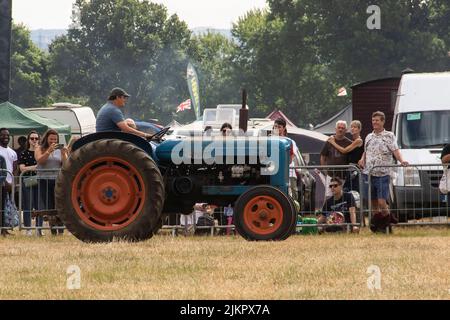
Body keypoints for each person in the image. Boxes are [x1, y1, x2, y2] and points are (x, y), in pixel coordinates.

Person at [358, 111, 408, 232]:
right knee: (374, 204)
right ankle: (381, 227)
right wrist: (361, 160)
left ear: (383, 121)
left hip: (383, 174)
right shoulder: (368, 136)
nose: (374, 122)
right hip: (369, 173)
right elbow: (366, 151)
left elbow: (395, 150)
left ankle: (389, 219)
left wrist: (401, 160)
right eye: (373, 120)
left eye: (377, 120)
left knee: (382, 202)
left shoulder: (389, 136)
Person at [35, 129, 68, 235]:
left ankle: (61, 230)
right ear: (46, 139)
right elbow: (40, 160)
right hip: (44, 180)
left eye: (55, 139)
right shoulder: (39, 148)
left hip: (57, 180)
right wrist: (48, 151)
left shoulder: (59, 150)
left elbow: (65, 164)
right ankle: (53, 230)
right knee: (49, 206)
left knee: (59, 205)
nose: (53, 141)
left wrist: (64, 154)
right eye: (51, 139)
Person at [328, 120, 364, 192]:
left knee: (351, 190)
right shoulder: (352, 141)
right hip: (349, 170)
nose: (353, 129)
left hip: (355, 170)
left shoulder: (358, 141)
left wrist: (333, 142)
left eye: (355, 127)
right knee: (347, 191)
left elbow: (344, 150)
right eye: (351, 127)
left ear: (359, 129)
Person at [18, 131, 42, 236]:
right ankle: (28, 229)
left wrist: (32, 168)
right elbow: (22, 168)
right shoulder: (24, 153)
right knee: (28, 204)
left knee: (39, 205)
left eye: (36, 138)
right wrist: (35, 167)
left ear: (39, 140)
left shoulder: (41, 152)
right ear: (28, 140)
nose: (34, 140)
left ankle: (39, 228)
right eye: (32, 138)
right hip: (28, 179)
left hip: (40, 180)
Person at [272, 118, 299, 202]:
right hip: (273, 171)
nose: (277, 129)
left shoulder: (289, 141)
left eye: (279, 127)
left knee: (292, 194)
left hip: (289, 172)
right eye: (275, 126)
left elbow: (290, 159)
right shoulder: (269, 140)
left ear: (284, 128)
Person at [0, 128, 18, 236]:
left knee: (7, 207)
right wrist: (5, 181)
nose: (5, 137)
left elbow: (15, 169)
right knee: (1, 207)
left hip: (10, 184)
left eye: (7, 135)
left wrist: (13, 182)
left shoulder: (13, 152)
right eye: (2, 135)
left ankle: (4, 229)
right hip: (1, 183)